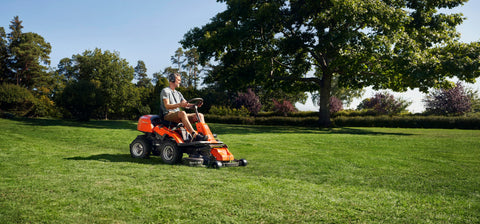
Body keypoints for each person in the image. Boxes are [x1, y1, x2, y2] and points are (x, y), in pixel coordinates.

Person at [160, 73, 207, 142]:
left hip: (178, 115)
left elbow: (186, 104)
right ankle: (194, 135)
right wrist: (180, 104)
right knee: (182, 113)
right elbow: (167, 106)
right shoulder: (165, 91)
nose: (180, 81)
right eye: (178, 80)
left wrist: (195, 105)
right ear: (172, 80)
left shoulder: (178, 93)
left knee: (200, 115)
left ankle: (204, 135)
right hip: (168, 114)